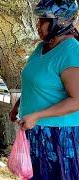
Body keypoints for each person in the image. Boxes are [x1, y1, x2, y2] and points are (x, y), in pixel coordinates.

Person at [10, 0, 79, 179]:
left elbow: (77, 100)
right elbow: (34, 82)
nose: (38, 25)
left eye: (43, 20)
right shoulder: (42, 47)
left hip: (57, 135)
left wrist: (37, 115)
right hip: (34, 129)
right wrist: (19, 105)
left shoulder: (71, 52)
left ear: (61, 22)